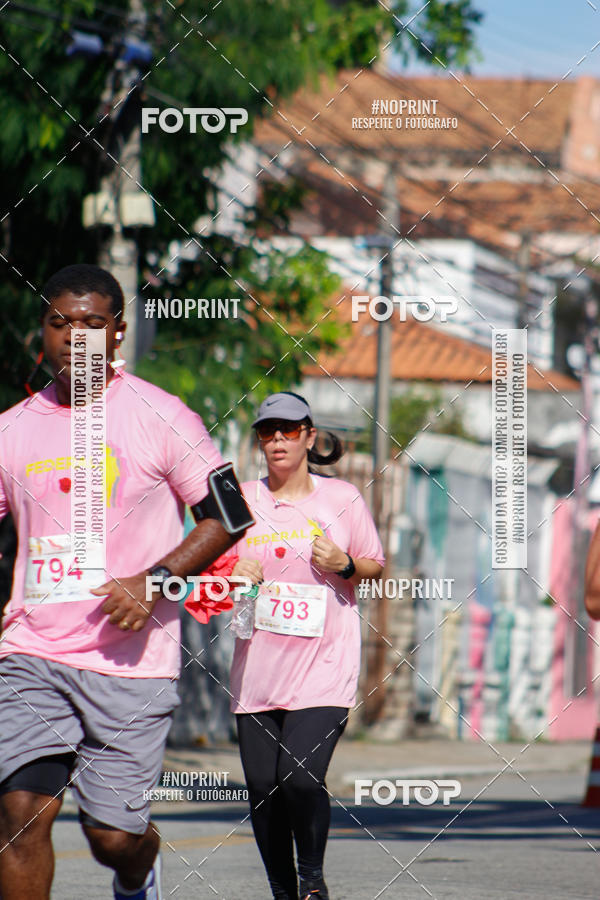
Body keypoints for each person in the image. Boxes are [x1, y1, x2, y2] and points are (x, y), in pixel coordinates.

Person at [0, 264, 252, 900]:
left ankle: (140, 868)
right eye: (61, 323)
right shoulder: (11, 429)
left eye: (91, 324)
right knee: (20, 815)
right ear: (44, 332)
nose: (74, 337)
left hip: (133, 666)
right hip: (33, 653)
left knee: (112, 838)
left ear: (117, 334)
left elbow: (229, 514)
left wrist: (158, 581)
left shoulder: (161, 415)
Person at [215, 391, 384, 900]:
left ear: (310, 435)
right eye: (268, 432)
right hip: (257, 672)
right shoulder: (239, 498)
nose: (278, 441)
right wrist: (233, 575)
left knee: (300, 780)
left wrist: (345, 564)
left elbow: (374, 568)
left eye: (289, 430)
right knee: (264, 791)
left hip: (324, 668)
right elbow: (211, 580)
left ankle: (311, 880)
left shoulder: (343, 499)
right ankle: (283, 892)